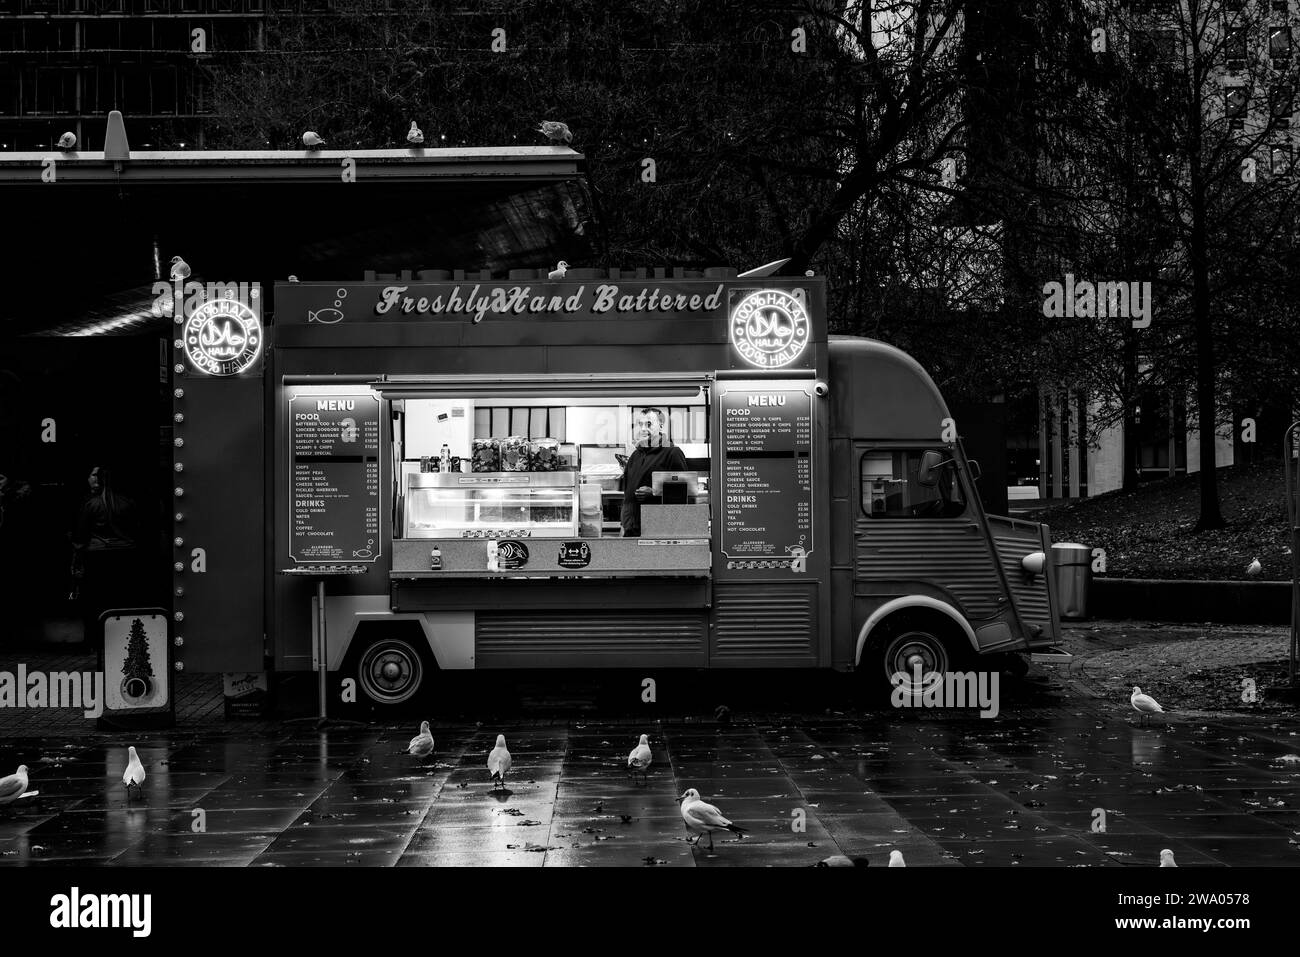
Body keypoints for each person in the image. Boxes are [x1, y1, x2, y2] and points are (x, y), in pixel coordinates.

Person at [71, 466, 139, 644]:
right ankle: (123, 639)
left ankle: (95, 640)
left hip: (97, 556)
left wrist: (77, 557)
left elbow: (81, 535)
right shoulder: (128, 503)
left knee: (95, 599)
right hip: (125, 554)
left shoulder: (91, 504)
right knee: (122, 598)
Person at [620, 408, 687, 537]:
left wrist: (655, 492)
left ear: (661, 425)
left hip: (658, 530)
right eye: (640, 424)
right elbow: (627, 496)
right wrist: (623, 524)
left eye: (649, 424)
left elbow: (684, 491)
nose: (643, 429)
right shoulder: (635, 456)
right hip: (631, 530)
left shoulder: (672, 453)